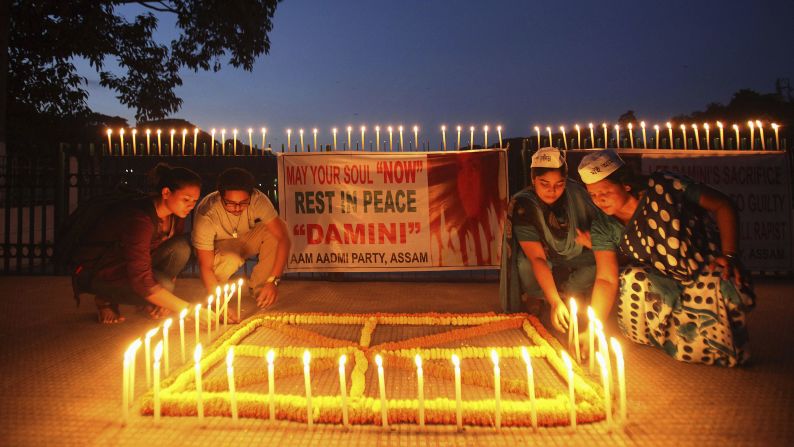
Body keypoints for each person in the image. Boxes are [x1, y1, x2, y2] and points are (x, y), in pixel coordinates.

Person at [579, 149, 755, 366]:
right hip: (664, 280)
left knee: (726, 289)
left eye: (605, 191)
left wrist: (729, 255)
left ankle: (692, 336)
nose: (599, 200)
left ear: (625, 184)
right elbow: (606, 279)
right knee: (633, 278)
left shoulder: (664, 187)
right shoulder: (603, 225)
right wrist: (592, 328)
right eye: (593, 195)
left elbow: (723, 205)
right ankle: (671, 335)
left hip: (704, 268)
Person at [76, 164, 203, 323]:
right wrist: (188, 310)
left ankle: (151, 301)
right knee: (163, 286)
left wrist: (165, 301)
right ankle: (105, 299)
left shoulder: (176, 216)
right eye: (186, 199)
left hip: (133, 265)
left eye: (195, 201)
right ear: (166, 193)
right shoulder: (139, 219)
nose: (191, 206)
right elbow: (141, 280)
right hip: (103, 270)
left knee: (182, 247)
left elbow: (170, 261)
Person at [499, 147, 601, 333]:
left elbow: (606, 234)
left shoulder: (577, 195)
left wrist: (594, 241)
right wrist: (555, 302)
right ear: (533, 180)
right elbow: (537, 258)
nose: (552, 191)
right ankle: (542, 296)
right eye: (544, 184)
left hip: (576, 252)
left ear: (567, 181)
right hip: (544, 256)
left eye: (559, 184)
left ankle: (568, 292)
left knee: (600, 262)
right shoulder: (524, 205)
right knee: (524, 263)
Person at [192, 167, 290, 309]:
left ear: (251, 195)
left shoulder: (258, 200)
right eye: (230, 203)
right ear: (220, 195)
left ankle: (262, 289)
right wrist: (220, 305)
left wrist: (273, 281)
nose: (237, 208)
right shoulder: (207, 213)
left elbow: (283, 238)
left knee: (273, 232)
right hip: (217, 247)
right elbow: (205, 265)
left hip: (243, 238)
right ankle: (214, 293)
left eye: (243, 202)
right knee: (231, 259)